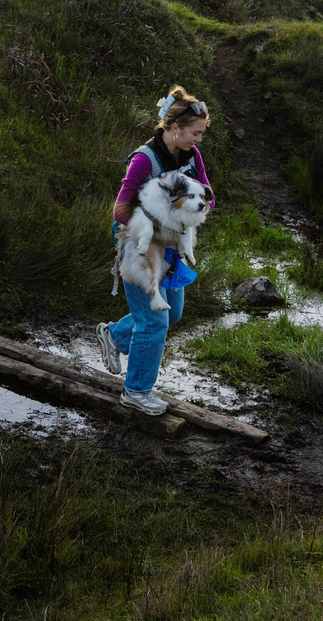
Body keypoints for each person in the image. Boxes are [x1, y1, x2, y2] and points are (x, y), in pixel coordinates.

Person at [97, 85, 216, 414]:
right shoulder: (143, 160)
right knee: (154, 323)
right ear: (175, 128)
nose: (199, 140)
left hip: (172, 249)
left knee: (173, 313)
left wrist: (196, 209)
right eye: (196, 133)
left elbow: (207, 195)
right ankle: (136, 391)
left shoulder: (191, 156)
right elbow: (120, 210)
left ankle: (115, 336)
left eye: (202, 134)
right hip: (139, 247)